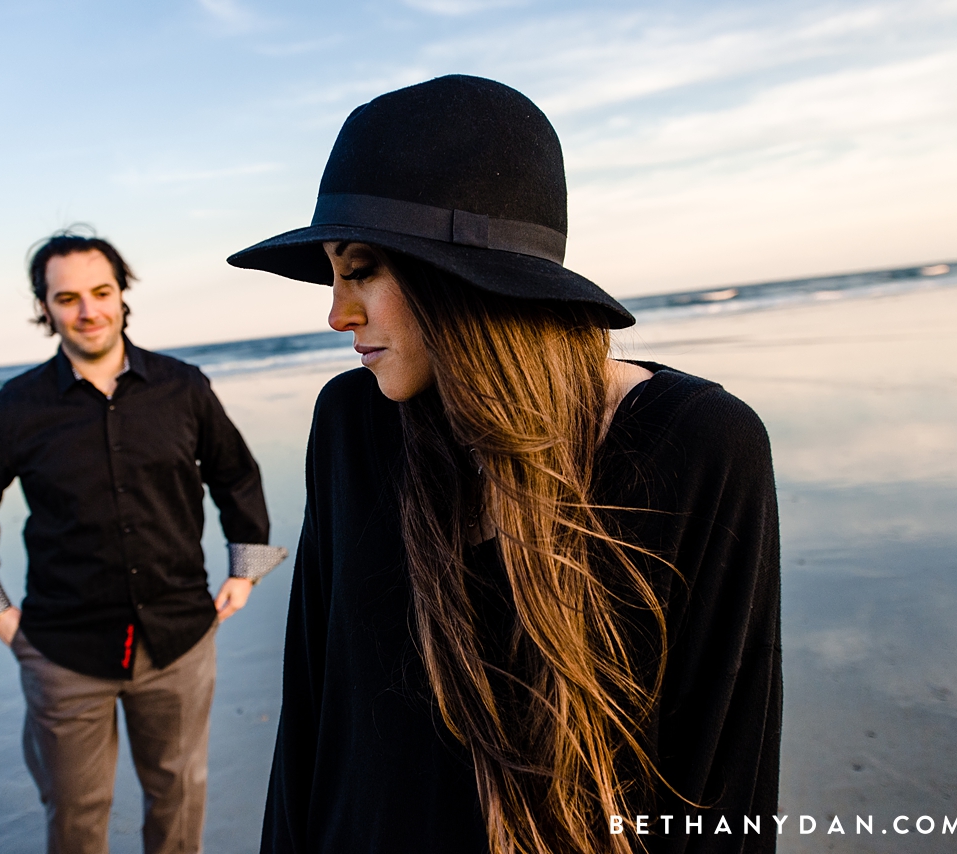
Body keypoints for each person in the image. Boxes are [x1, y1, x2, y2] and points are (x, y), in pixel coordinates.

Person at [227, 76, 782, 854]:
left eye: (360, 270)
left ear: (461, 279)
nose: (336, 313)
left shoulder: (697, 446)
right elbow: (312, 715)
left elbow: (726, 770)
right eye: (333, 275)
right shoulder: (353, 424)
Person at [0, 231, 287, 854]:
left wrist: (245, 568)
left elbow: (234, 472)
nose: (87, 310)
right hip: (61, 652)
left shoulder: (183, 388)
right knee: (76, 815)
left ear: (123, 295)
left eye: (101, 292)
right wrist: (1, 620)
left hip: (180, 640)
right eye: (66, 297)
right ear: (44, 308)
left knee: (178, 801)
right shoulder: (16, 408)